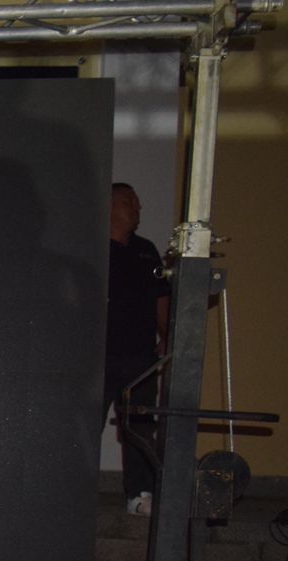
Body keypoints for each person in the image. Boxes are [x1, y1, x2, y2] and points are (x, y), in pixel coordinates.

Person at [105, 182, 170, 517]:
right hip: (97, 356)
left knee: (140, 424)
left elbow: (161, 295)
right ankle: (73, 489)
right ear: (111, 205)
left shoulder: (146, 251)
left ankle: (140, 494)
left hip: (140, 356)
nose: (138, 208)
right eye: (130, 201)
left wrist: (167, 335)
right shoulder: (92, 246)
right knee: (82, 425)